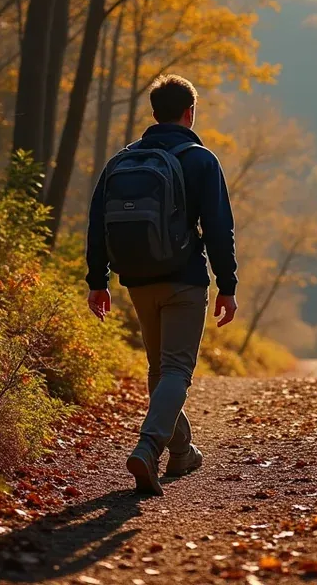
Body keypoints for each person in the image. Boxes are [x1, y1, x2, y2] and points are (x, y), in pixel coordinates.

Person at [85, 74, 238, 495]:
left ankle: (182, 451)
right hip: (184, 280)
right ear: (190, 112)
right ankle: (148, 448)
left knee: (160, 372)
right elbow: (219, 229)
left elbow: (97, 226)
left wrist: (98, 281)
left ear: (154, 113)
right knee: (175, 371)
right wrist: (227, 286)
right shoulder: (200, 160)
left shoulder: (121, 161)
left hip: (138, 280)